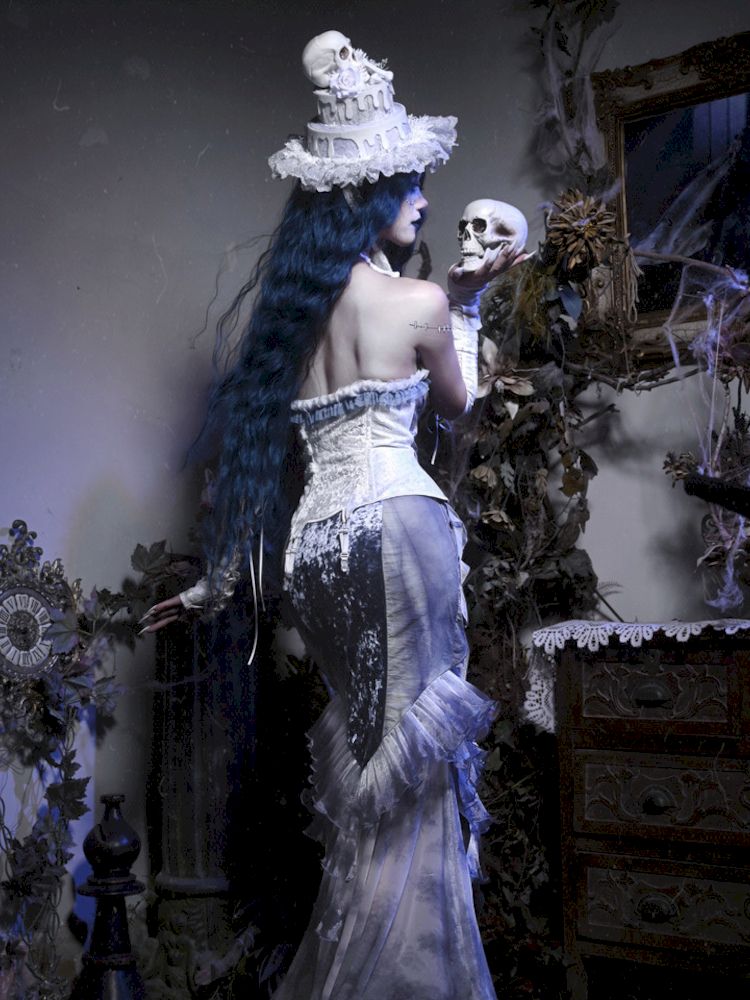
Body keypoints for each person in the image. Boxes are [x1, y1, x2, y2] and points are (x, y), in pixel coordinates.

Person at [142, 30, 527, 1000]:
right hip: (398, 527)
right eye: (409, 185)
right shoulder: (420, 302)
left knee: (370, 760)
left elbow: (257, 470)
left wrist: (215, 583)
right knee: (414, 774)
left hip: (316, 546)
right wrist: (469, 303)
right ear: (369, 196)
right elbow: (458, 409)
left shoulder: (291, 319)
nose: (425, 201)